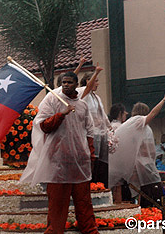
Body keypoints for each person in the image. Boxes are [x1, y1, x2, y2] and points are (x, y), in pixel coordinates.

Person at [21, 72, 99, 234]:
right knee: (57, 204)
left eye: (69, 82)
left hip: (79, 163)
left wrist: (90, 155)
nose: (65, 85)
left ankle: (90, 230)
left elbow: (89, 131)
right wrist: (61, 114)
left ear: (76, 84)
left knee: (84, 203)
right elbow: (42, 125)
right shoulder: (51, 100)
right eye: (63, 82)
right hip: (57, 162)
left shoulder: (82, 105)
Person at [108, 87, 165, 208]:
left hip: (145, 166)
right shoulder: (138, 121)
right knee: (153, 196)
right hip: (144, 167)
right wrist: (164, 99)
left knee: (148, 197)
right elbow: (153, 114)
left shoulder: (138, 126)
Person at [77, 64, 112, 187]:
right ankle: (92, 185)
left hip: (101, 134)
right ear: (88, 80)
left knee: (102, 163)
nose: (97, 83)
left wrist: (110, 128)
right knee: (93, 161)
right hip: (91, 133)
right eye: (96, 81)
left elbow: (103, 115)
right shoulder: (83, 93)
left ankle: (100, 185)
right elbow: (86, 88)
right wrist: (96, 72)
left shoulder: (96, 97)